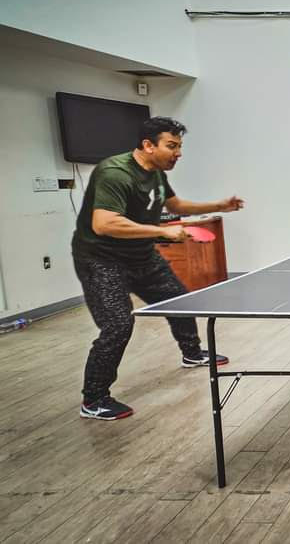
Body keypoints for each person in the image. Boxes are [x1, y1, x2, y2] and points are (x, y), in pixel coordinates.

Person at [72, 117, 243, 421]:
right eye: (172, 146)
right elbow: (105, 223)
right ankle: (94, 399)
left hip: (141, 255)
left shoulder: (156, 173)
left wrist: (218, 206)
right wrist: (162, 232)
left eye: (179, 146)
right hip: (101, 260)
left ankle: (192, 353)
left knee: (179, 301)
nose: (178, 153)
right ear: (148, 145)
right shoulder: (115, 173)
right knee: (118, 325)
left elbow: (175, 206)